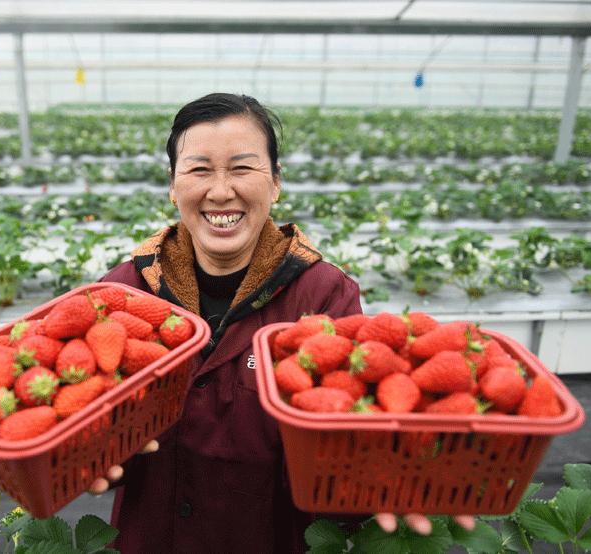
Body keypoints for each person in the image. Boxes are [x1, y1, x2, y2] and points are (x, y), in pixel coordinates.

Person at [88, 92, 475, 553]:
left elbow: (348, 426)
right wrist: (85, 453)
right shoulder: (127, 290)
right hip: (150, 539)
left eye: (242, 168)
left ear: (275, 183)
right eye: (199, 170)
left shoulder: (323, 295)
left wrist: (384, 476)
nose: (220, 190)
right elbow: (95, 418)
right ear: (173, 185)